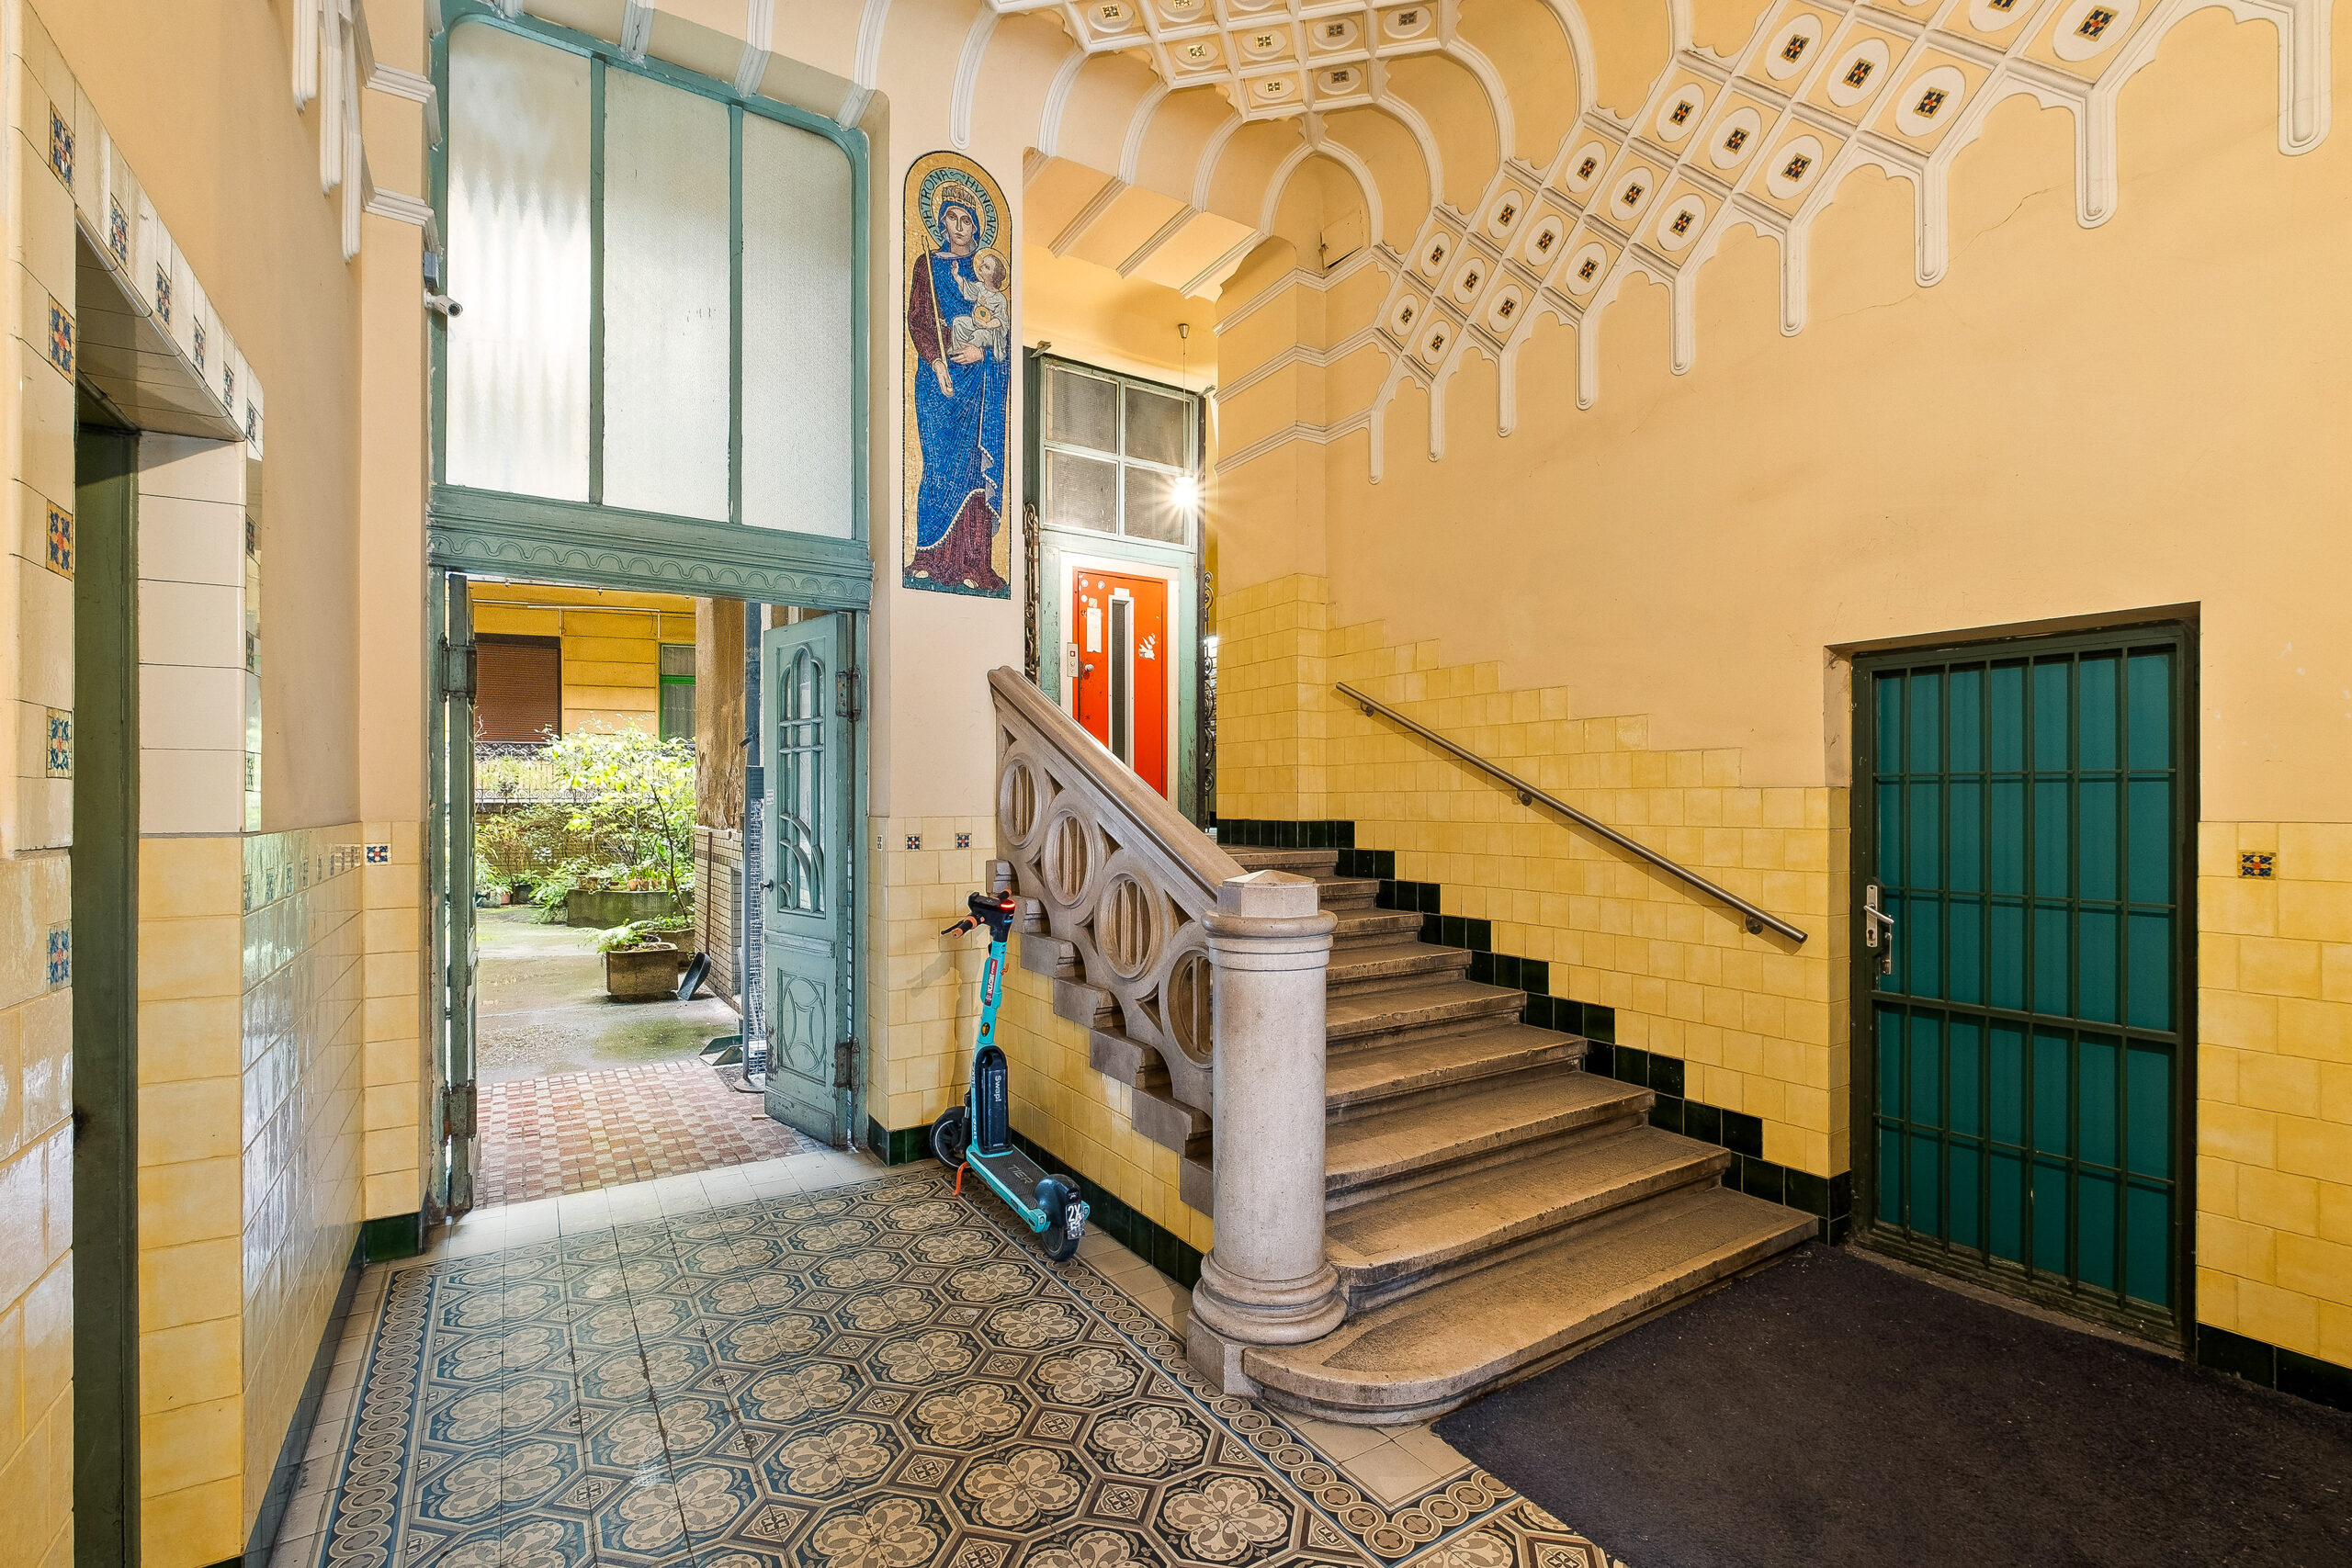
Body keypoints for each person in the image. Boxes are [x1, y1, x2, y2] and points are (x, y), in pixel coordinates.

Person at [906, 186, 1010, 593]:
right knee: (936, 463)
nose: (960, 227)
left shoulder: (985, 270)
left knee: (971, 468)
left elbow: (1003, 336)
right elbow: (918, 318)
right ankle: (928, 556)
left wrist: (982, 354)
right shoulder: (927, 265)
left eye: (967, 221)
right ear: (942, 221)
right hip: (938, 378)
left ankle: (974, 563)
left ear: (976, 228)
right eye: (953, 218)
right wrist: (936, 361)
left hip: (978, 379)